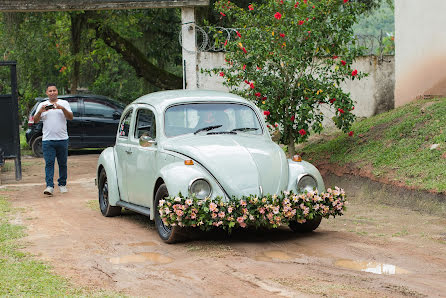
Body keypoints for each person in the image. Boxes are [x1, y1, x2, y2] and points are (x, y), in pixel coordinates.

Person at [33, 84, 73, 195]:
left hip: (62, 139)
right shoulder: (42, 104)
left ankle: (62, 184)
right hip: (47, 140)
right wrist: (40, 111)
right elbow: (35, 120)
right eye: (50, 91)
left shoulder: (64, 103)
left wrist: (62, 108)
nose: (52, 92)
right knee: (49, 163)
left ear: (57, 91)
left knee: (63, 163)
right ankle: (49, 186)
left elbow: (70, 117)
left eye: (54, 90)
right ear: (46, 93)